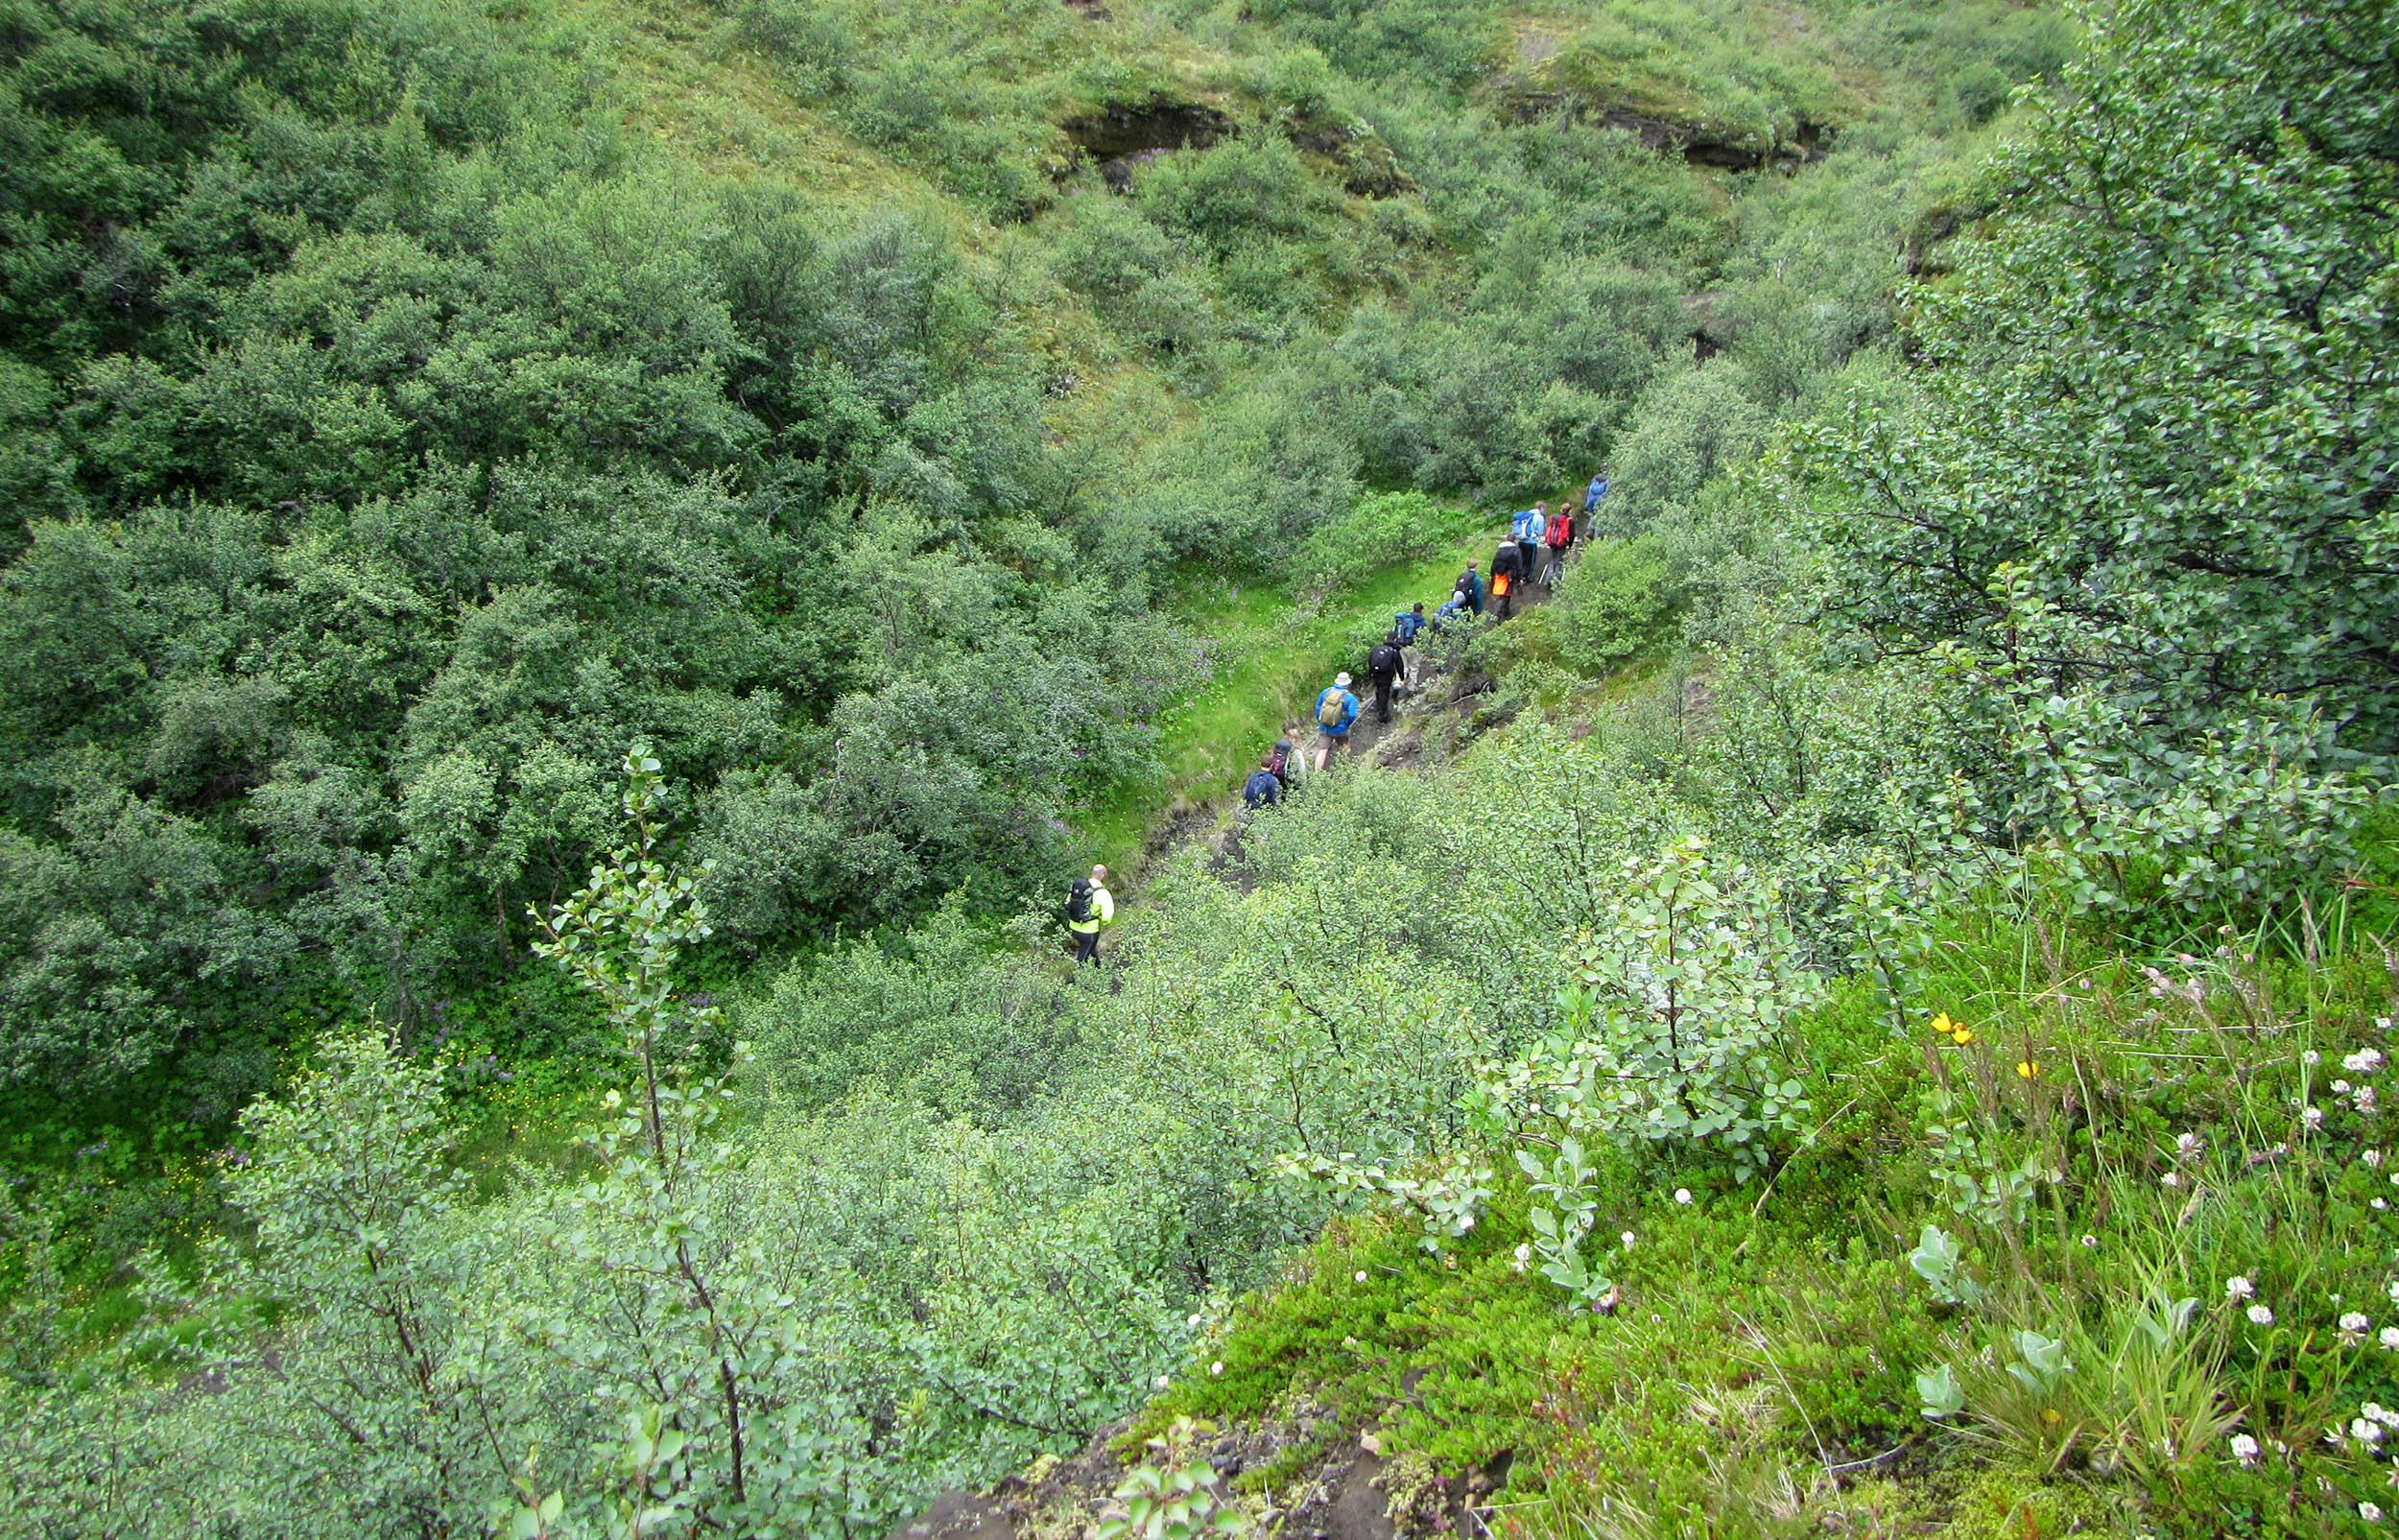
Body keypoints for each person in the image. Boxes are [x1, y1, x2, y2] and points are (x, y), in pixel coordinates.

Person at [1065, 864, 1114, 967]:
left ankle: (1099, 970)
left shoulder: (1079, 886)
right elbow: (1107, 917)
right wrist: (1102, 921)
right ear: (1103, 875)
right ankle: (1076, 981)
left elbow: (1068, 902)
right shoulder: (1103, 893)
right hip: (1089, 932)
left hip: (1073, 927)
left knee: (1091, 949)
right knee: (1082, 959)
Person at [1312, 672, 1359, 771]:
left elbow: (1317, 708)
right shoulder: (1350, 697)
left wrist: (1321, 721)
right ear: (1347, 684)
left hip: (1325, 727)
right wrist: (1346, 724)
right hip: (1341, 729)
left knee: (1322, 751)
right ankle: (1344, 769)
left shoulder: (1326, 692)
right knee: (1344, 747)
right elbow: (1351, 715)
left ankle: (1317, 774)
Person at [1367, 631, 1404, 724]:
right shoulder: (1394, 651)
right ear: (1395, 639)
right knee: (1384, 691)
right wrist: (1401, 676)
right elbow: (1399, 665)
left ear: (1385, 638)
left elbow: (1370, 659)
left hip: (1375, 673)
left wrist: (1370, 673)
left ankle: (1378, 705)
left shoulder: (1376, 648)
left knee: (1379, 689)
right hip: (1386, 674)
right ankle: (1382, 715)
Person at [1393, 602, 1427, 690]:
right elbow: (1423, 637)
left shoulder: (1405, 619)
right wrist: (1424, 651)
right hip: (1413, 647)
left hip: (1401, 646)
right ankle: (1411, 687)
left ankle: (1398, 683)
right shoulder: (1421, 622)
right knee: (1414, 667)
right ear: (1421, 610)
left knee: (1402, 666)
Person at [1489, 534, 1524, 620]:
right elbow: (1519, 565)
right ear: (1514, 541)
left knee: (1504, 593)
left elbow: (1494, 563)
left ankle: (1506, 611)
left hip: (1498, 574)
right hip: (1510, 575)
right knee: (1505, 594)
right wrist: (1520, 578)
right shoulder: (1516, 550)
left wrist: (1492, 575)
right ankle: (1497, 615)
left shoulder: (1500, 550)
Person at [1512, 503, 1545, 588]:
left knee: (1521, 559)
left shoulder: (1525, 515)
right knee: (1530, 561)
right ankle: (1527, 578)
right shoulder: (1539, 517)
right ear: (1541, 508)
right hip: (1531, 542)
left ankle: (1518, 576)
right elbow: (1541, 532)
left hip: (1521, 541)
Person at [1540, 505, 1574, 586]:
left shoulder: (1554, 518)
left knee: (1554, 558)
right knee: (1559, 560)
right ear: (1570, 511)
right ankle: (1554, 580)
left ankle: (1548, 578)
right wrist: (1570, 545)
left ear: (1561, 510)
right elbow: (1572, 534)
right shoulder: (1569, 520)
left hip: (1552, 542)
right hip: (1562, 543)